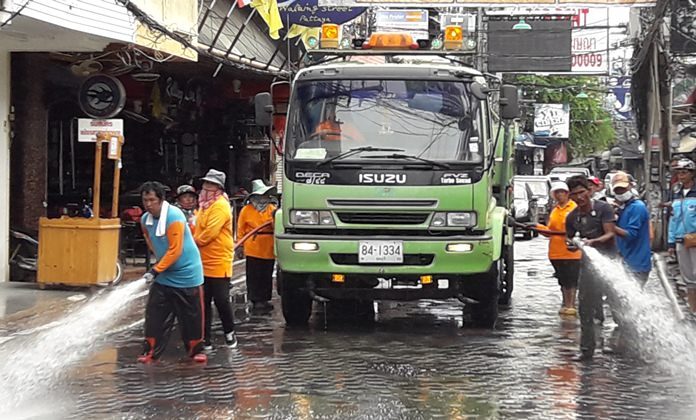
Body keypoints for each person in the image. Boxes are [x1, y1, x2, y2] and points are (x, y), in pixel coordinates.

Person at [137, 181, 206, 363]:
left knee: (191, 317)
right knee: (155, 316)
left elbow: (175, 250)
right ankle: (150, 352)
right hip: (164, 275)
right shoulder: (145, 220)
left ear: (161, 200)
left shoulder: (174, 216)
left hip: (187, 275)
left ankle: (196, 351)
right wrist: (160, 263)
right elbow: (150, 239)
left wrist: (156, 270)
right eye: (145, 200)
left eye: (152, 200)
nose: (148, 204)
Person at [565, 175, 616, 361]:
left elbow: (610, 233)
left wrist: (593, 242)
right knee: (585, 308)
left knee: (618, 306)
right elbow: (569, 238)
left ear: (589, 191)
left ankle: (627, 343)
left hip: (610, 263)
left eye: (582, 192)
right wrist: (571, 244)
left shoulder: (603, 209)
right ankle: (587, 349)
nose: (579, 197)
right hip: (588, 267)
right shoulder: (572, 217)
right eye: (574, 195)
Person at [193, 169, 238, 349]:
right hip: (202, 260)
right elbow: (197, 226)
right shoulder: (204, 206)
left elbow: (210, 233)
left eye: (211, 184)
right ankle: (205, 339)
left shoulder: (220, 205)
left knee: (221, 300)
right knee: (203, 301)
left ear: (219, 188)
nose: (207, 187)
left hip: (219, 260)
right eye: (206, 183)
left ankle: (229, 333)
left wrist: (193, 242)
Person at [535, 181, 582, 316]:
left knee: (571, 279)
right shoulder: (555, 210)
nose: (560, 195)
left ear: (567, 194)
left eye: (563, 192)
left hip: (571, 251)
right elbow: (550, 231)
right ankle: (565, 303)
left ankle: (571, 305)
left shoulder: (574, 208)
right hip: (556, 252)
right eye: (557, 192)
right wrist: (536, 227)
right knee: (562, 280)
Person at [237, 179, 278, 312]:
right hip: (253, 245)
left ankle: (264, 299)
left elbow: (277, 226)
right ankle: (254, 299)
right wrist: (240, 245)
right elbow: (241, 229)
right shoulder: (246, 210)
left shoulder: (272, 209)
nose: (262, 198)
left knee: (266, 273)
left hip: (268, 246)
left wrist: (274, 218)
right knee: (253, 274)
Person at [611, 171, 652, 284]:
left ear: (630, 187)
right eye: (617, 190)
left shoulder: (637, 207)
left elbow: (631, 235)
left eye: (623, 189)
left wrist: (609, 226)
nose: (621, 192)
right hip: (625, 260)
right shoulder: (622, 207)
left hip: (637, 263)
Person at [668, 158, 696, 313]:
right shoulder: (676, 193)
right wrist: (671, 242)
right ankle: (693, 310)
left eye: (684, 172)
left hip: (695, 238)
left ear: (692, 174)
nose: (681, 176)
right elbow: (673, 219)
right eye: (679, 173)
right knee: (688, 278)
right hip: (681, 240)